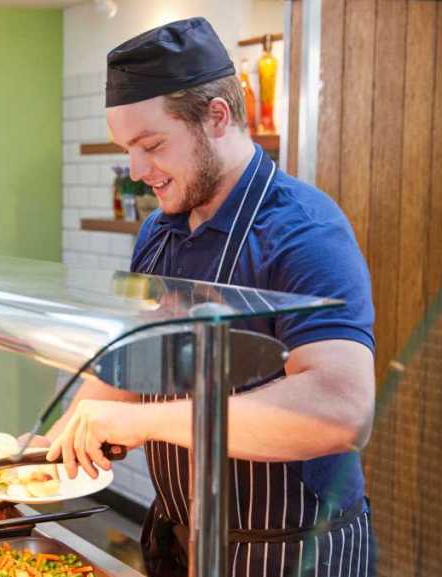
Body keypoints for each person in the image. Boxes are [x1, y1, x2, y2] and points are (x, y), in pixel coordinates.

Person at [41, 18, 376, 577]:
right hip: (180, 539)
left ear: (217, 117)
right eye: (128, 150)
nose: (138, 171)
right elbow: (138, 358)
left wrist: (144, 423)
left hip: (288, 552)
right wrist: (46, 448)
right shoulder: (158, 231)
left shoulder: (305, 232)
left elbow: (342, 410)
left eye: (151, 146)